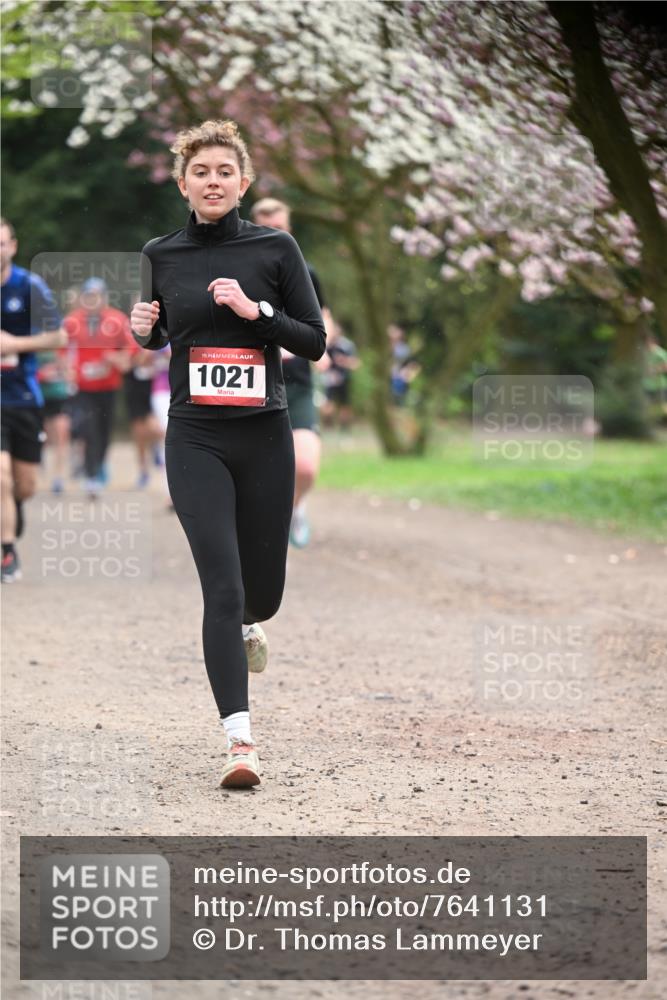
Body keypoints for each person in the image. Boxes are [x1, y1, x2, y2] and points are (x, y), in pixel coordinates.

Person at [130, 120, 325, 788]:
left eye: (224, 172)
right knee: (221, 584)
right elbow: (165, 337)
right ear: (183, 183)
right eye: (200, 172)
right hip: (195, 435)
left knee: (259, 595)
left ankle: (250, 623)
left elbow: (313, 342)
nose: (212, 182)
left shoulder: (276, 248)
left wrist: (255, 311)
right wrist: (146, 334)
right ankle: (240, 743)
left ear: (242, 182)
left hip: (262, 435)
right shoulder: (162, 252)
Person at [250, 197, 331, 548]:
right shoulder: (236, 268)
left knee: (306, 467)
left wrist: (322, 349)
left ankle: (293, 509)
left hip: (295, 384)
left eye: (280, 229)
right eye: (267, 229)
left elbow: (322, 316)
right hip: (250, 385)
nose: (274, 236)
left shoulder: (304, 271)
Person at [1, 218, 67, 582]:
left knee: (23, 484)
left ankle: (13, 508)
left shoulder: (29, 286)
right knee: (0, 474)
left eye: (1, 243)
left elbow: (59, 338)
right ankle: (7, 553)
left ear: (12, 246)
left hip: (23, 396)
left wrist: (15, 344)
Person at [64, 278, 135, 498]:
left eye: (96, 296)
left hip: (109, 386)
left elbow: (132, 346)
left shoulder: (117, 318)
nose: (92, 300)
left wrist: (118, 358)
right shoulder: (72, 320)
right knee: (88, 429)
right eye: (88, 296)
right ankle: (91, 476)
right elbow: (61, 348)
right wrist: (67, 368)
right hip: (83, 387)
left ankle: (98, 466)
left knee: (104, 432)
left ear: (104, 298)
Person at [36, 345, 74, 493]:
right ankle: (40, 463)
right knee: (45, 438)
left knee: (61, 434)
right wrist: (42, 375)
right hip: (39, 397)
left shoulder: (62, 346)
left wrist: (65, 369)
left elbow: (71, 372)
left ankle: (58, 477)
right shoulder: (31, 344)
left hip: (59, 396)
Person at [321, 318, 360, 429]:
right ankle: (328, 426)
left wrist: (344, 361)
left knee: (345, 405)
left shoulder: (347, 345)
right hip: (329, 379)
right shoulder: (325, 345)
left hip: (344, 378)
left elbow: (355, 364)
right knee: (328, 404)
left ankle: (345, 428)